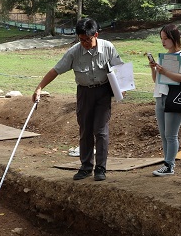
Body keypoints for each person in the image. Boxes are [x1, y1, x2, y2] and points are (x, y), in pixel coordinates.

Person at [32, 18, 122, 182]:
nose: (85, 43)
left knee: (101, 130)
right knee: (85, 130)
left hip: (103, 92)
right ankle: (86, 167)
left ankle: (101, 168)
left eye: (87, 39)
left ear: (96, 35)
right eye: (81, 40)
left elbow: (120, 69)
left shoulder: (108, 48)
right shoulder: (74, 51)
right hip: (84, 93)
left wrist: (121, 89)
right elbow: (55, 70)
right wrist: (39, 87)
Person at [149, 24, 181, 176]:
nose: (163, 42)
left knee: (171, 134)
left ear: (174, 38)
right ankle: (167, 163)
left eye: (166, 38)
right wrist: (154, 68)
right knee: (163, 134)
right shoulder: (164, 57)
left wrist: (165, 71)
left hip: (174, 98)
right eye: (162, 38)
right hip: (160, 96)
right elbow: (157, 80)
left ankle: (169, 165)